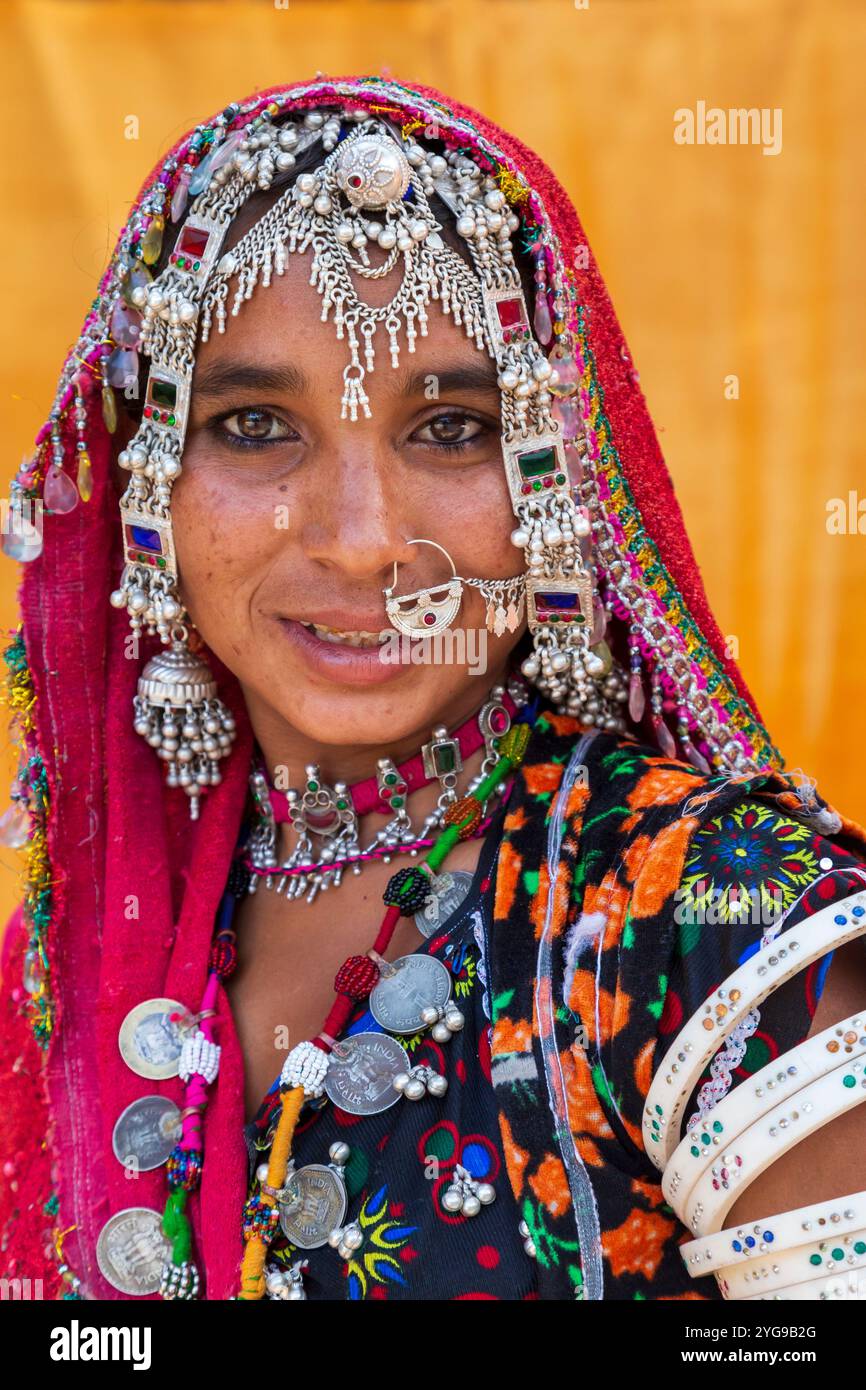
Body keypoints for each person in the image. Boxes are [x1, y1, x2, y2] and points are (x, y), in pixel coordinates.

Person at [1, 73, 864, 1304]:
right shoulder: (74, 950)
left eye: (451, 427)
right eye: (253, 425)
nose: (360, 541)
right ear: (151, 491)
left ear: (560, 479)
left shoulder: (715, 922)